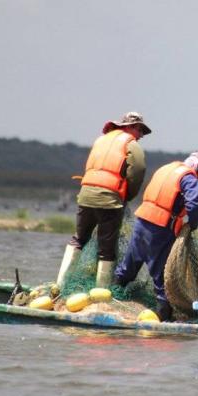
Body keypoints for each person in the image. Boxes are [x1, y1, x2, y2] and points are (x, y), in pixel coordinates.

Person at [114, 150, 198, 321]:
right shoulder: (189, 177)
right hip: (160, 228)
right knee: (161, 276)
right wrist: (193, 225)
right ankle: (163, 319)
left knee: (127, 268)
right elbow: (194, 204)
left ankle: (109, 300)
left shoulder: (166, 168)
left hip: (142, 221)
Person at [56, 112, 151, 289]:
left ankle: (60, 285)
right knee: (106, 247)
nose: (141, 135)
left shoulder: (101, 140)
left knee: (79, 239)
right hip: (109, 199)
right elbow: (138, 171)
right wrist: (127, 195)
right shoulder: (131, 143)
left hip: (85, 195)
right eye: (140, 130)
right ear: (129, 127)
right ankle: (101, 293)